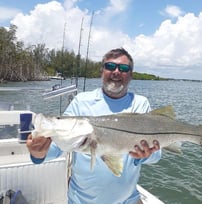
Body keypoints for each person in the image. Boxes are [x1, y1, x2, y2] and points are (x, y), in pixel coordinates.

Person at [26, 48, 161, 204]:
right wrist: (38, 153)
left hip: (128, 200)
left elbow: (156, 155)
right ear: (101, 71)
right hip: (81, 200)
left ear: (130, 75)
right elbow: (55, 149)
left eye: (123, 68)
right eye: (110, 66)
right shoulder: (81, 101)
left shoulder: (140, 104)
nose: (116, 71)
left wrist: (143, 157)